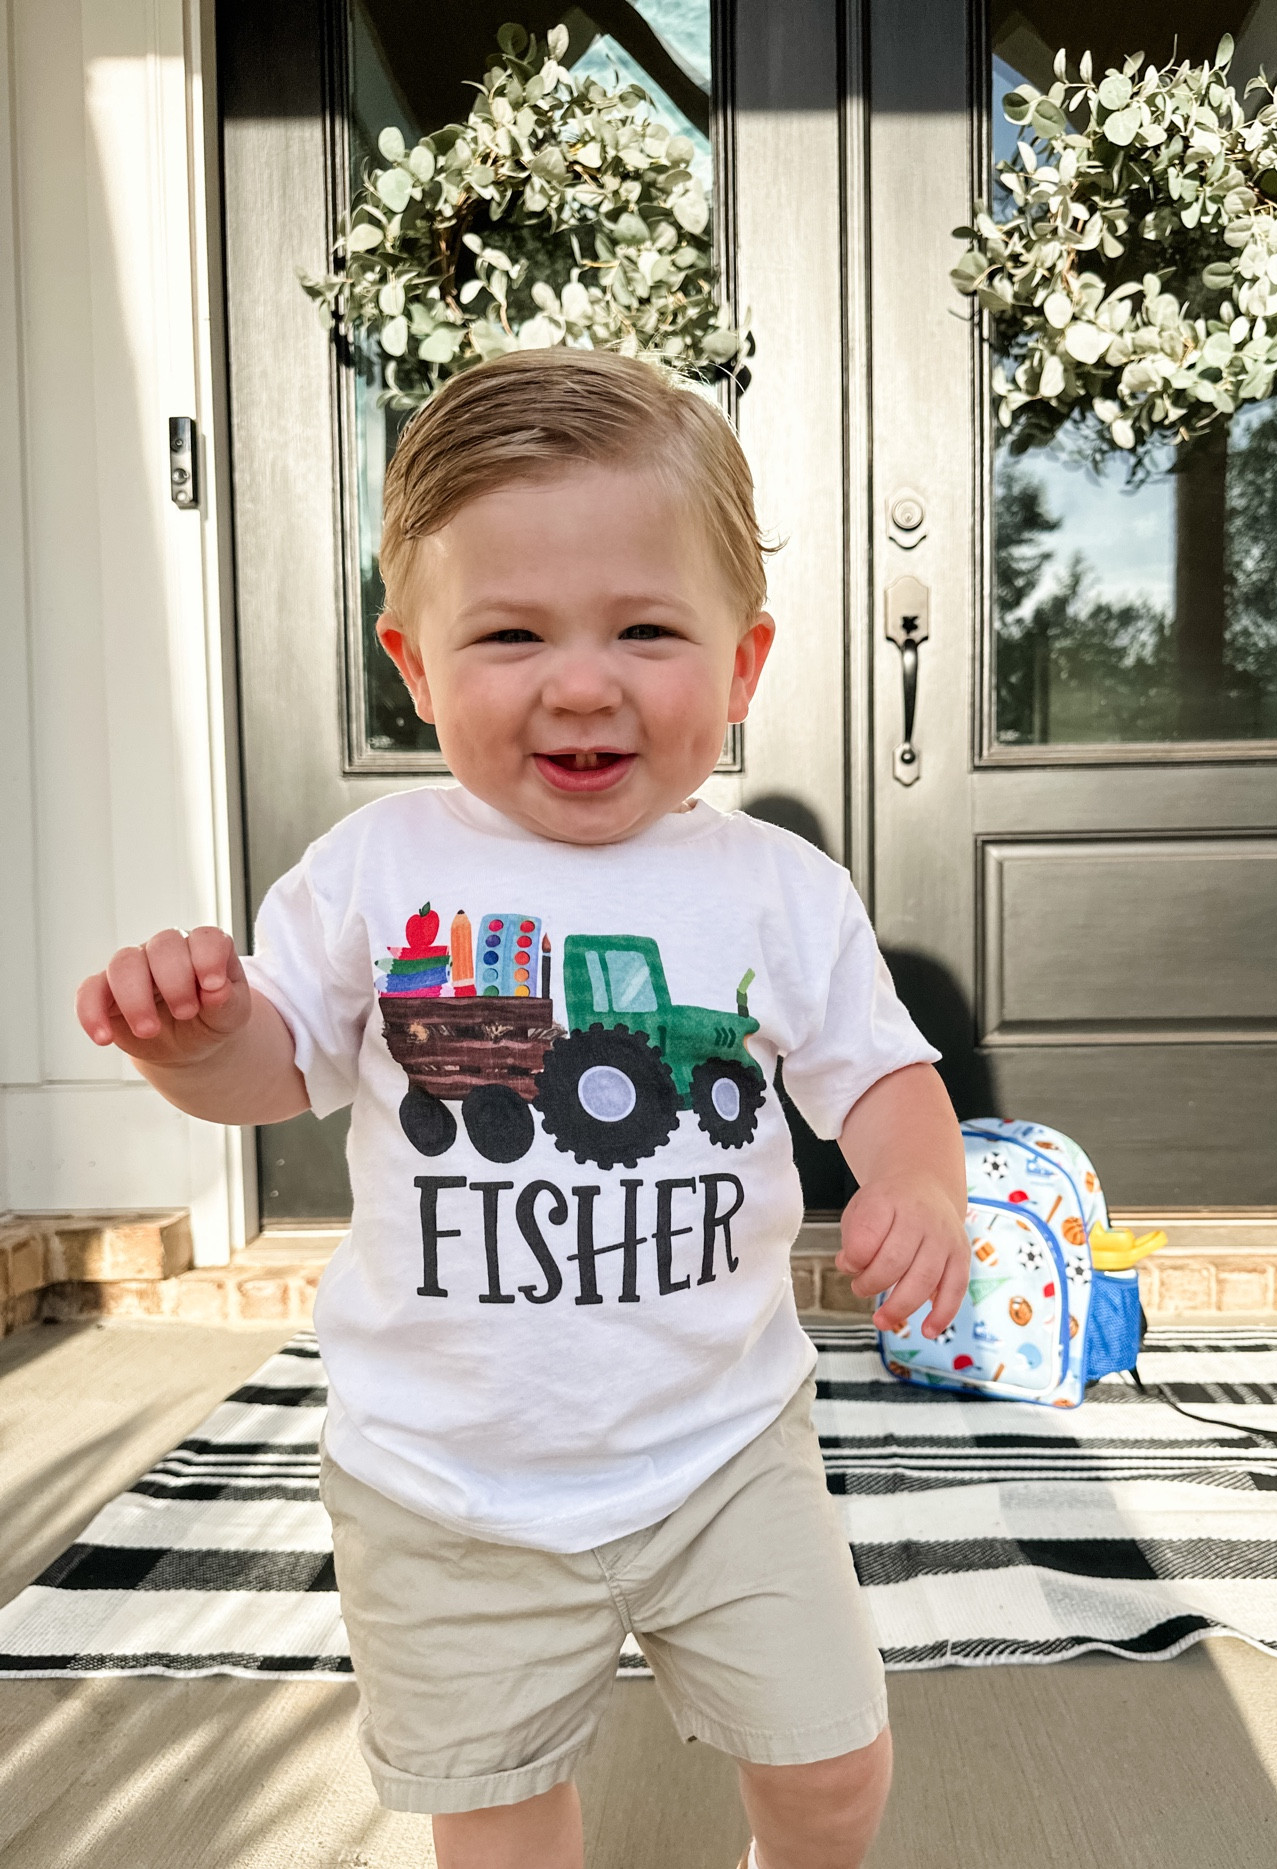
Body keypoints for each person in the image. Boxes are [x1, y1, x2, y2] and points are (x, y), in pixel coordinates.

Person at [75, 349, 969, 1869]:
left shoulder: (775, 889)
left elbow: (883, 1075)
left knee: (833, 1762)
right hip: (447, 1481)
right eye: (508, 632)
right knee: (496, 1813)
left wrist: (920, 1186)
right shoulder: (372, 872)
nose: (579, 679)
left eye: (643, 627)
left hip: (725, 1450)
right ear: (413, 666)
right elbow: (275, 1071)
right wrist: (193, 1037)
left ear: (742, 666)